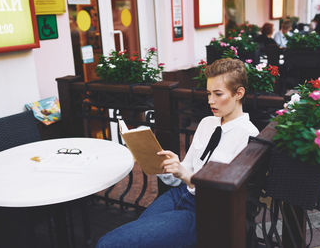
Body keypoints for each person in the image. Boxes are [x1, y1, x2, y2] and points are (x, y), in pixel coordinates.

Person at [96, 58, 259, 248]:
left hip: (206, 212)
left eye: (218, 94)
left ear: (239, 93)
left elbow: (227, 197)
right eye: (208, 93)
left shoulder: (249, 136)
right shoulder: (207, 123)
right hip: (180, 194)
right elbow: (186, 171)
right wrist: (162, 164)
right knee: (133, 238)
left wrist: (186, 175)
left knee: (108, 243)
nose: (210, 100)